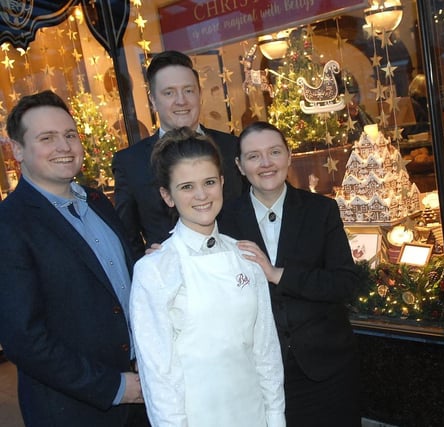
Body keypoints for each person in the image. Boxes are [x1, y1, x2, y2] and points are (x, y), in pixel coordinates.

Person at [0, 90, 148, 426]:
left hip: (141, 396)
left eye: (69, 135)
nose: (64, 147)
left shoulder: (97, 201)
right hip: (76, 409)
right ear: (18, 150)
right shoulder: (9, 225)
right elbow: (23, 340)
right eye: (47, 138)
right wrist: (114, 386)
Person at [130, 127, 285, 426]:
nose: (201, 195)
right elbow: (159, 374)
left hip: (253, 413)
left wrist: (276, 418)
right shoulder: (155, 270)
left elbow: (266, 352)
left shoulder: (247, 257)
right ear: (167, 196)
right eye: (186, 187)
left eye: (209, 182)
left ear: (223, 183)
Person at [218, 121, 361, 427]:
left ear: (289, 156)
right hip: (259, 374)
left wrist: (277, 274)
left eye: (274, 152)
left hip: (326, 369)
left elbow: (344, 283)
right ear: (240, 166)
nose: (266, 163)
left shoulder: (321, 210)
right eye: (254, 156)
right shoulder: (223, 220)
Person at [112, 50, 245, 260]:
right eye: (169, 93)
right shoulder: (130, 162)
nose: (181, 101)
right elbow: (127, 235)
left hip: (237, 271)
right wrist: (149, 263)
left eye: (188, 90)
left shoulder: (234, 147)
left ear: (200, 94)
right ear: (153, 101)